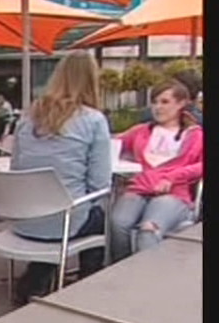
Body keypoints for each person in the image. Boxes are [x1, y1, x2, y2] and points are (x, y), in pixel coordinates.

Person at [10, 50, 111, 304]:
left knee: (61, 212)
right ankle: (88, 288)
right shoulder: (94, 121)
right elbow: (100, 185)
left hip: (24, 218)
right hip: (64, 222)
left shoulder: (27, 116)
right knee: (99, 215)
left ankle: (37, 279)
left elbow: (16, 168)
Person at [110, 79, 203, 262]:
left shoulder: (195, 135)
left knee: (148, 229)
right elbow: (111, 145)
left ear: (181, 104)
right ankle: (121, 267)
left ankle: (148, 275)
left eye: (165, 102)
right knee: (118, 223)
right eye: (154, 102)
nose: (158, 107)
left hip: (174, 192)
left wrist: (173, 177)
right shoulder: (141, 131)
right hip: (139, 188)